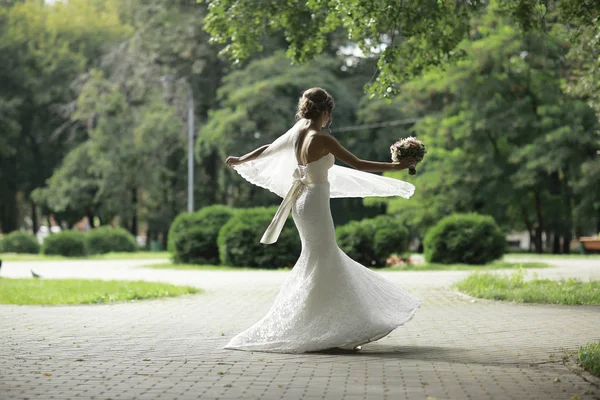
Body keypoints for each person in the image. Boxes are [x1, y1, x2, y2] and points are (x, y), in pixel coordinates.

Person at [223, 87, 421, 353]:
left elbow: (267, 149)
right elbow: (359, 164)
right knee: (325, 257)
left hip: (301, 202)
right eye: (330, 114)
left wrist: (240, 159)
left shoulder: (299, 132)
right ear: (325, 112)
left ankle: (325, 324)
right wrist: (396, 167)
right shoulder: (322, 138)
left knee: (318, 259)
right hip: (313, 200)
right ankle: (327, 327)